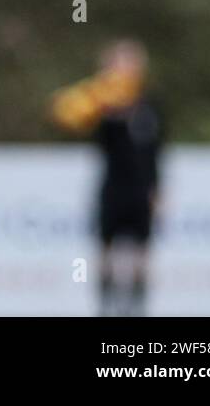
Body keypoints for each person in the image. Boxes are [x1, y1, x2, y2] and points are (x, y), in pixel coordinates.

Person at [50, 38, 163, 316]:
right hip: (113, 189)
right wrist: (104, 103)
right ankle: (105, 308)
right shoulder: (99, 105)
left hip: (141, 191)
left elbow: (156, 153)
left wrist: (157, 190)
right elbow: (68, 117)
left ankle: (137, 310)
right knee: (106, 253)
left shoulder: (150, 108)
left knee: (141, 256)